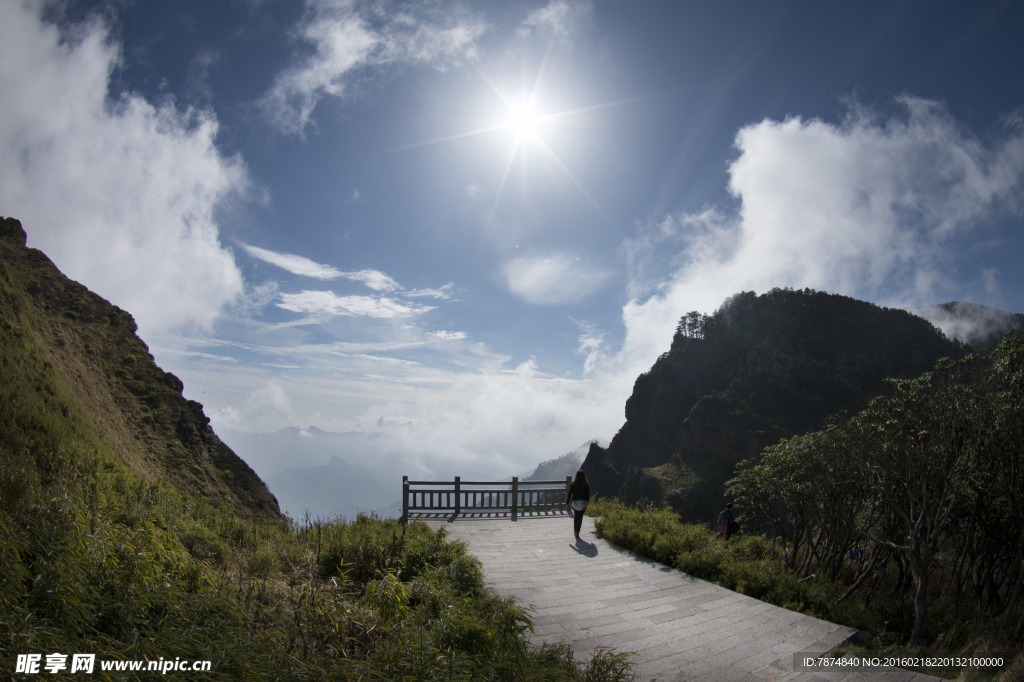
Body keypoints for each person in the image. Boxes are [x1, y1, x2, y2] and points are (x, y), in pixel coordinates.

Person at [566, 470, 590, 541]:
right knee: (580, 517)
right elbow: (587, 495)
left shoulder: (573, 484)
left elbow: (569, 494)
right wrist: (587, 502)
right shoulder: (585, 484)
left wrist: (567, 503)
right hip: (582, 503)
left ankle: (575, 531)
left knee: (576, 516)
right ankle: (578, 531)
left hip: (575, 503)